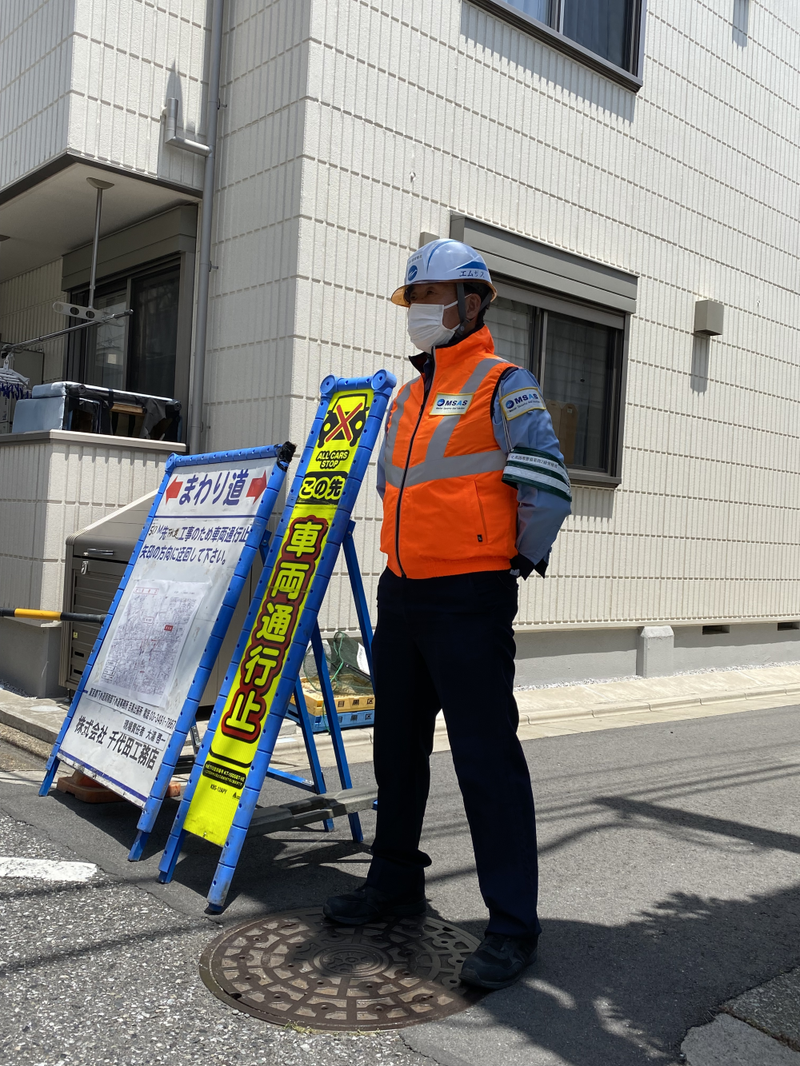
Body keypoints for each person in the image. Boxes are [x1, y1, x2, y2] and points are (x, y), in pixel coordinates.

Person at [324, 239, 572, 989]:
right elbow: (394, 489)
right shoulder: (405, 398)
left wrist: (513, 559)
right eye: (415, 298)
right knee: (396, 749)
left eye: (433, 296)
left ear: (473, 301)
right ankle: (394, 880)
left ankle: (512, 926)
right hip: (402, 592)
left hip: (470, 596)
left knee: (485, 760)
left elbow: (547, 486)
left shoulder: (505, 384)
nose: (421, 310)